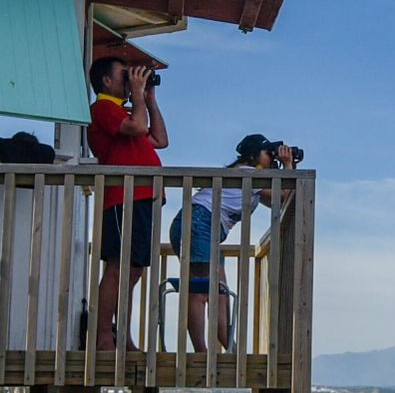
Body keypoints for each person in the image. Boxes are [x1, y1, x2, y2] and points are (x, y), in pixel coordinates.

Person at [167, 133, 296, 351]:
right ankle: (201, 351)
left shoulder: (250, 180)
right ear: (253, 156)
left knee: (219, 291)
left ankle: (228, 345)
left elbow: (278, 202)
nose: (271, 157)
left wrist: (285, 168)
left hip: (201, 226)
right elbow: (283, 195)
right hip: (199, 222)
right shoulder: (248, 173)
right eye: (268, 153)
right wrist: (288, 165)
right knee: (199, 290)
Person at [87, 58, 168, 351]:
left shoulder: (127, 112)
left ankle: (122, 335)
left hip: (141, 197)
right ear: (106, 81)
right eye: (124, 75)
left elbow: (160, 139)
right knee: (119, 268)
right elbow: (137, 128)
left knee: (133, 270)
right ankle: (103, 337)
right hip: (123, 197)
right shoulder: (103, 108)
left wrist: (148, 99)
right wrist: (136, 97)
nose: (130, 78)